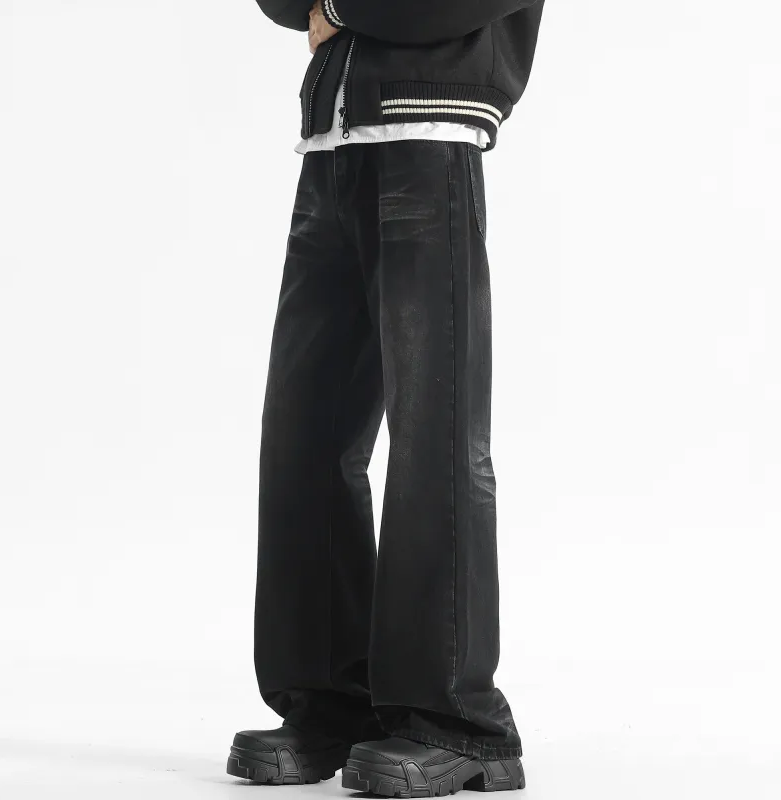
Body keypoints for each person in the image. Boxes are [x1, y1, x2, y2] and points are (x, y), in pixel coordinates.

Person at [226, 1, 546, 795]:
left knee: (434, 436)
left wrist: (338, 6)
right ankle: (330, 701)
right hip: (332, 144)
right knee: (303, 437)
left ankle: (458, 722)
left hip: (429, 140)